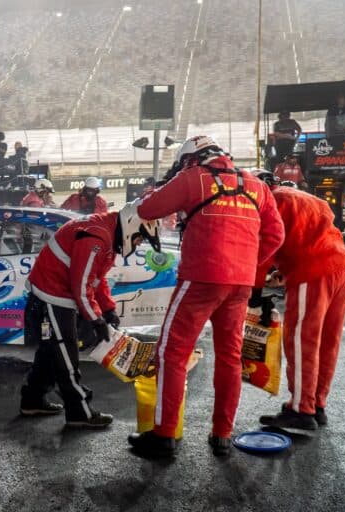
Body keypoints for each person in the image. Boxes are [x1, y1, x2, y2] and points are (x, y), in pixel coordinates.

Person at [130, 135, 284, 457]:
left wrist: (168, 187)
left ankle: (164, 437)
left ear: (191, 159)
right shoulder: (256, 185)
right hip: (239, 284)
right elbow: (275, 234)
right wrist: (248, 265)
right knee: (229, 358)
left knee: (171, 354)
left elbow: (148, 208)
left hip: (200, 279)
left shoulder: (193, 178)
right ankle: (222, 435)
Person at [20, 201, 161, 428]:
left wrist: (108, 308)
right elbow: (81, 284)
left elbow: (97, 277)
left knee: (51, 352)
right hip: (52, 296)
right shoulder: (96, 238)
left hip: (55, 294)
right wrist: (96, 320)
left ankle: (32, 399)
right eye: (139, 239)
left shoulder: (108, 232)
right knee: (66, 358)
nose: (138, 244)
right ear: (132, 227)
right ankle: (79, 412)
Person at [251, 171, 345, 431]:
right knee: (327, 340)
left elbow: (267, 243)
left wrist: (254, 286)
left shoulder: (270, 201)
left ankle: (301, 410)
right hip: (341, 267)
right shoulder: (303, 196)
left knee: (301, 340)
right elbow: (308, 236)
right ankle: (316, 403)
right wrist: (284, 271)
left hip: (314, 272)